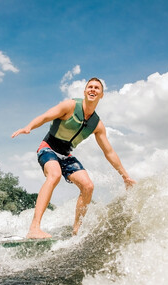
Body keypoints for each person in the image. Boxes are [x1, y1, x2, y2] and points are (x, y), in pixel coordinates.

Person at [11, 77, 136, 239]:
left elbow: (109, 152)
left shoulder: (97, 125)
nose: (92, 90)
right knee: (54, 175)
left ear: (102, 95)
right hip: (48, 148)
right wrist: (29, 127)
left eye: (96, 88)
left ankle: (76, 229)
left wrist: (125, 176)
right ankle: (34, 228)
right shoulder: (69, 106)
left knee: (88, 186)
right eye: (89, 87)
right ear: (84, 92)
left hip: (66, 155)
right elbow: (45, 117)